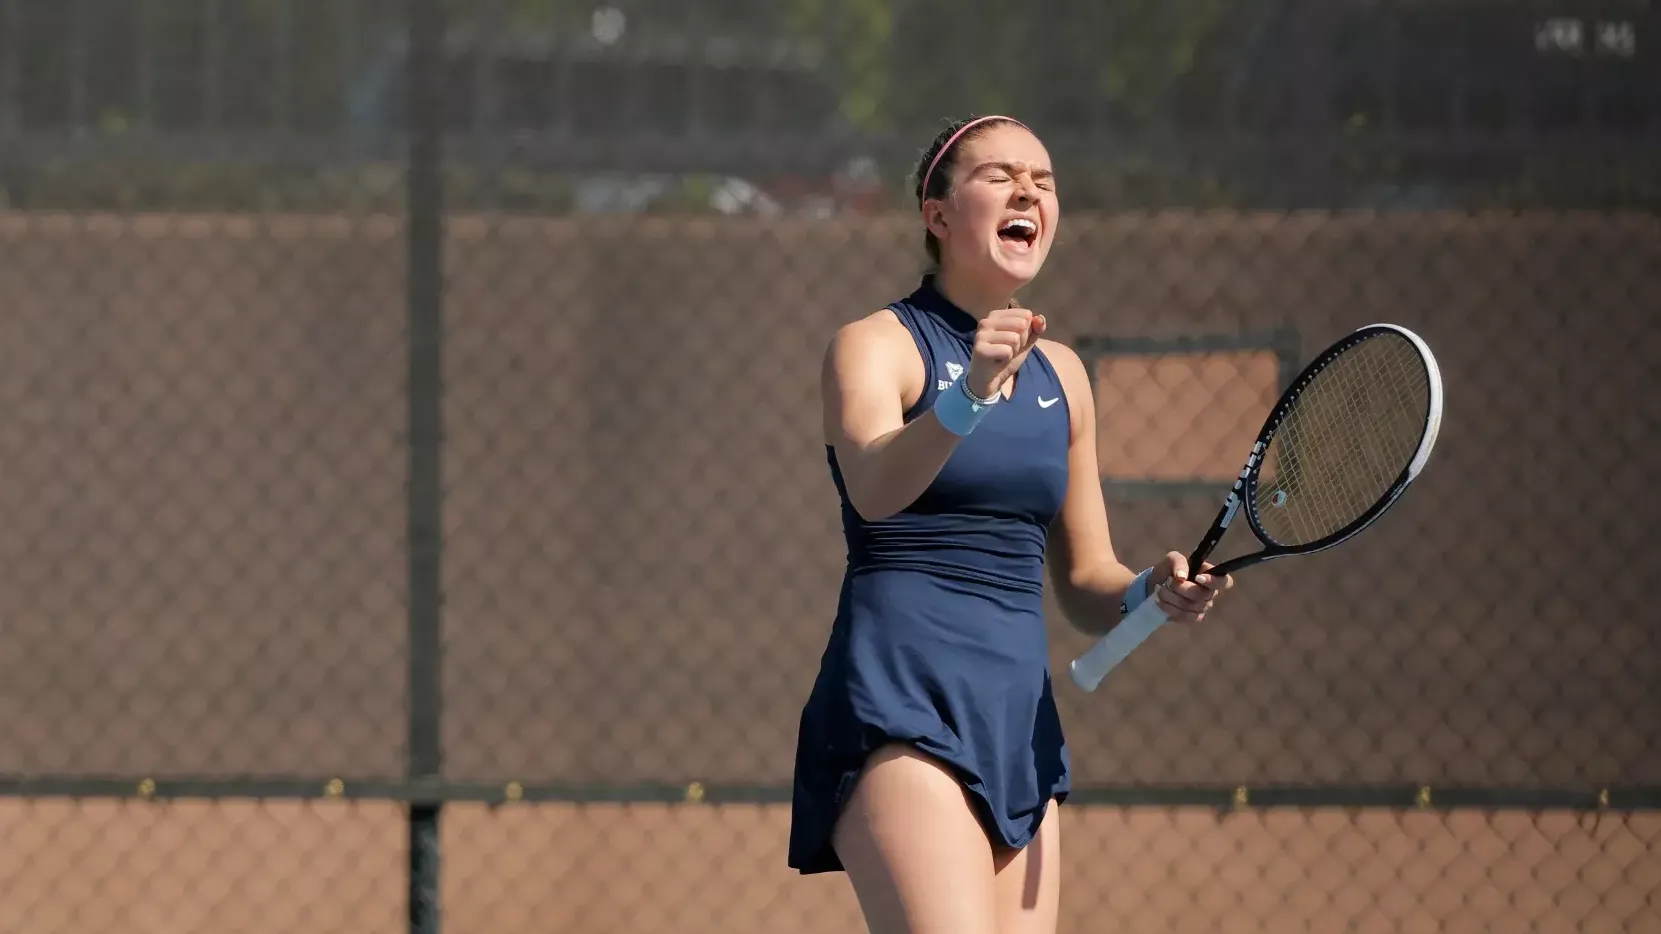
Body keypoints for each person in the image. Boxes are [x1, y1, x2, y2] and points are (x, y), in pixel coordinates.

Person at [786, 114, 1236, 934]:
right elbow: (874, 489)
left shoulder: (1063, 374)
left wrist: (1149, 590)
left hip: (1019, 725)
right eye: (999, 175)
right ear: (937, 214)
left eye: (1044, 180)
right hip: (901, 706)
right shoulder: (874, 345)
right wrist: (969, 395)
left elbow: (1086, 582)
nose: (1027, 190)